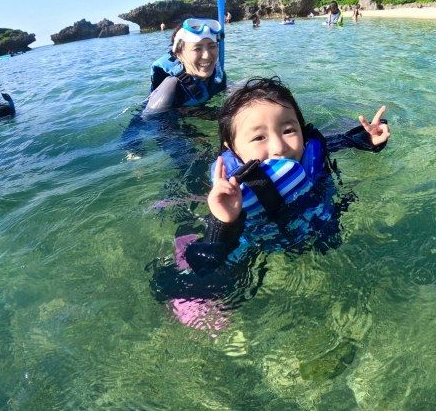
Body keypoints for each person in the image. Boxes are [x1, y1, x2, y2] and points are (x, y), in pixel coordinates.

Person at [150, 77, 391, 328]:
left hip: (313, 226)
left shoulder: (312, 149)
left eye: (288, 130)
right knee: (215, 289)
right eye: (258, 138)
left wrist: (368, 140)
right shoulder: (233, 191)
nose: (279, 147)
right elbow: (213, 255)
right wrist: (225, 221)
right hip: (257, 236)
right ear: (232, 149)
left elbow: (343, 141)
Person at [143, 18, 226, 117]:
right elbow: (148, 122)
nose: (207, 56)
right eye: (197, 48)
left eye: (212, 46)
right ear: (178, 54)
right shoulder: (170, 88)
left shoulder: (218, 75)